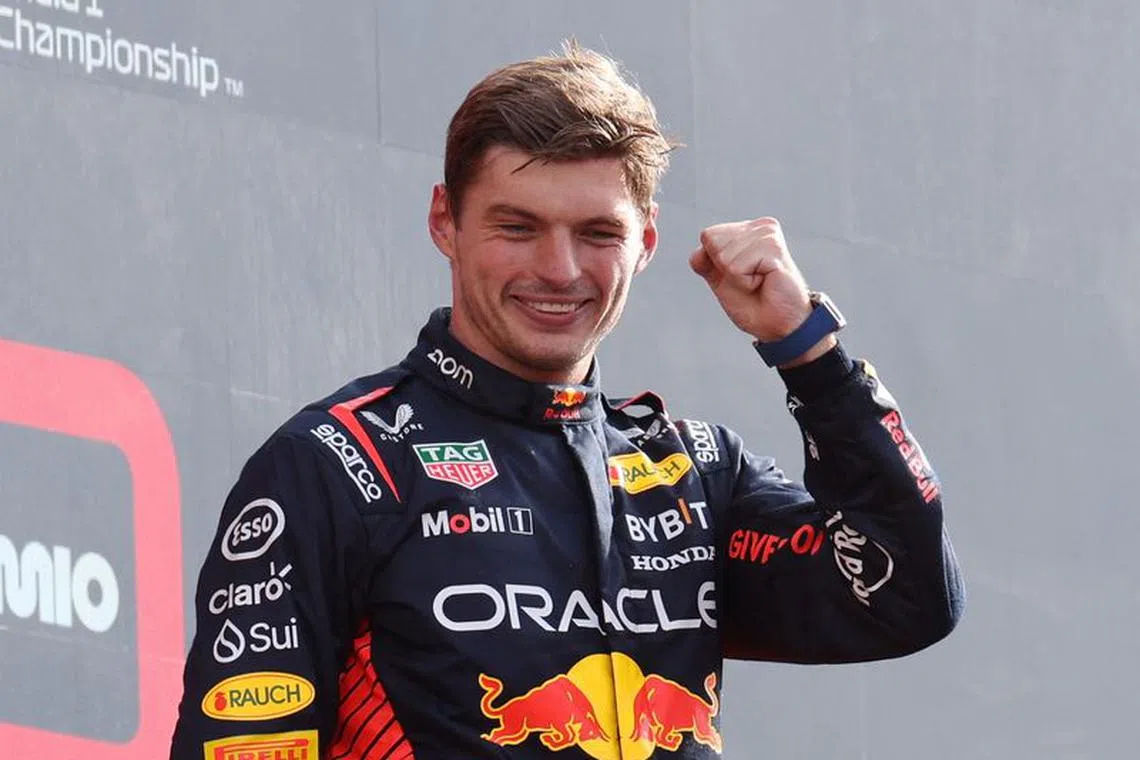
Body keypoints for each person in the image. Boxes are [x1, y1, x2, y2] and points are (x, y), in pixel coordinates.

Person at [170, 41, 963, 760]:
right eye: (517, 228)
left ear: (646, 242)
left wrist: (810, 354)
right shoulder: (341, 466)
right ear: (445, 222)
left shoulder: (693, 473)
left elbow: (904, 598)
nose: (559, 269)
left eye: (597, 234)